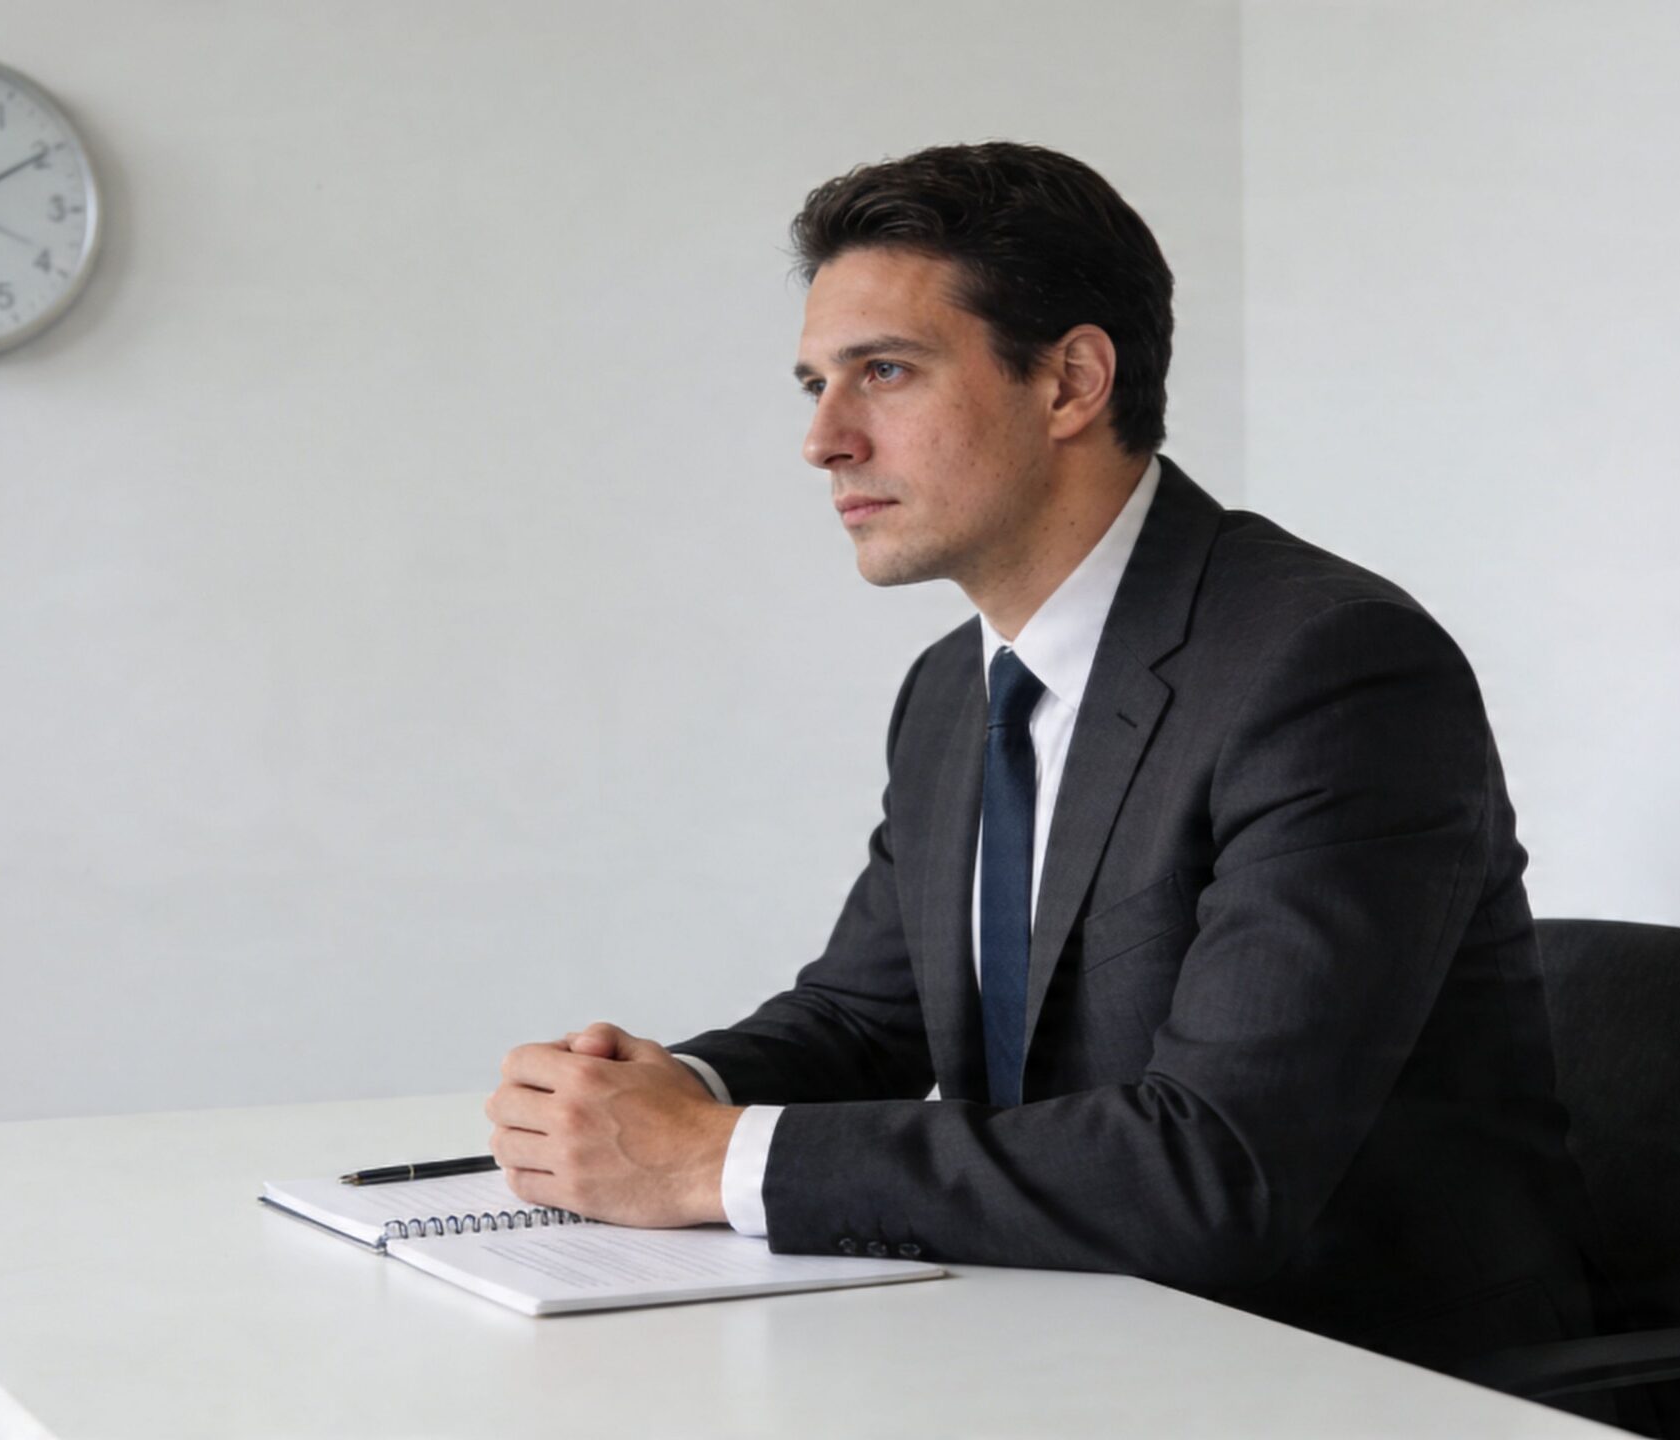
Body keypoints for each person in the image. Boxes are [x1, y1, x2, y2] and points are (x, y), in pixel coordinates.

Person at [484, 141, 1604, 1383]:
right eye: (813, 384)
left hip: (1348, 1371)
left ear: (1070, 381)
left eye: (884, 373)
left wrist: (710, 1159)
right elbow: (868, 1015)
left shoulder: (1331, 668)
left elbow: (1217, 1166)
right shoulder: (953, 694)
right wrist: (648, 1096)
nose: (823, 439)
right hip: (1062, 1334)